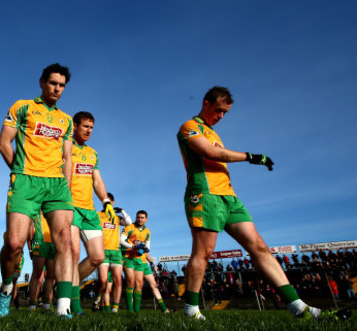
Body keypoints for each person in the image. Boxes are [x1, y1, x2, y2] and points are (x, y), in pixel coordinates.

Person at [176, 86, 351, 321]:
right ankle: (191, 310)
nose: (221, 116)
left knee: (259, 247)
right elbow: (213, 154)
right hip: (205, 195)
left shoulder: (214, 132)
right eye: (218, 110)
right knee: (204, 252)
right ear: (206, 103)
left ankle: (299, 308)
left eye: (225, 113)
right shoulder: (190, 127)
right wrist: (251, 157)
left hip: (230, 199)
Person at [0, 63, 74, 318]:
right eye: (53, 83)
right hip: (25, 181)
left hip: (56, 185)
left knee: (64, 240)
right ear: (42, 82)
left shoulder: (66, 120)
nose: (57, 89)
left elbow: (68, 157)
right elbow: (3, 143)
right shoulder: (22, 107)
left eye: (62, 85)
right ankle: (7, 288)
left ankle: (63, 308)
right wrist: (18, 172)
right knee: (15, 244)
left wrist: (67, 188)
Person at [68, 111, 114, 315]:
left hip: (89, 210)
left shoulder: (93, 153)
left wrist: (106, 202)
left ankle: (67, 284)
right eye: (85, 126)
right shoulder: (65, 146)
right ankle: (74, 306)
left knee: (97, 257)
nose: (89, 130)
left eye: (91, 127)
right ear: (75, 125)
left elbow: (97, 180)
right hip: (69, 206)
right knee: (73, 253)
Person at [95, 193, 131, 313]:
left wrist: (122, 211)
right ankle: (104, 305)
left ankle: (115, 308)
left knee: (118, 280)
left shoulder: (116, 218)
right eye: (106, 202)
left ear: (113, 203)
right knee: (104, 281)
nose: (108, 204)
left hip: (116, 252)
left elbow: (129, 223)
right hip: (102, 251)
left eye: (110, 202)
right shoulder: (98, 215)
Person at [120, 210, 152, 313]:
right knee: (130, 281)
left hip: (139, 259)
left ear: (146, 219)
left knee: (139, 284)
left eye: (142, 217)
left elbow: (148, 245)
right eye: (138, 217)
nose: (140, 219)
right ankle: (130, 310)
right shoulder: (129, 227)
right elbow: (121, 240)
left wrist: (146, 249)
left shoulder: (147, 232)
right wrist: (133, 246)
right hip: (127, 256)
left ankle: (136, 311)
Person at [28, 211, 57, 311]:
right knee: (37, 273)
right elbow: (30, 225)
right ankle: (32, 305)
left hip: (52, 243)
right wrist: (30, 246)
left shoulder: (54, 206)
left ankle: (46, 304)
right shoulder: (36, 207)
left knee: (51, 275)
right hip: (39, 241)